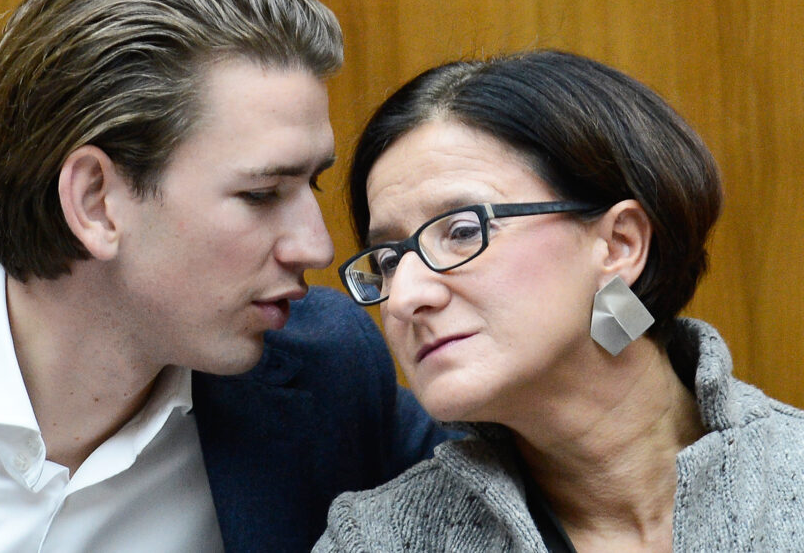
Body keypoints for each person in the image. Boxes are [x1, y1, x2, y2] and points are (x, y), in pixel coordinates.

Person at [0, 0, 449, 552]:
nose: (316, 247)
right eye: (262, 193)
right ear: (96, 202)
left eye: (312, 184)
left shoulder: (327, 377)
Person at [314, 49, 804, 551]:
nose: (403, 298)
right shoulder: (375, 541)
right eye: (388, 260)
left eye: (462, 231)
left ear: (619, 245)